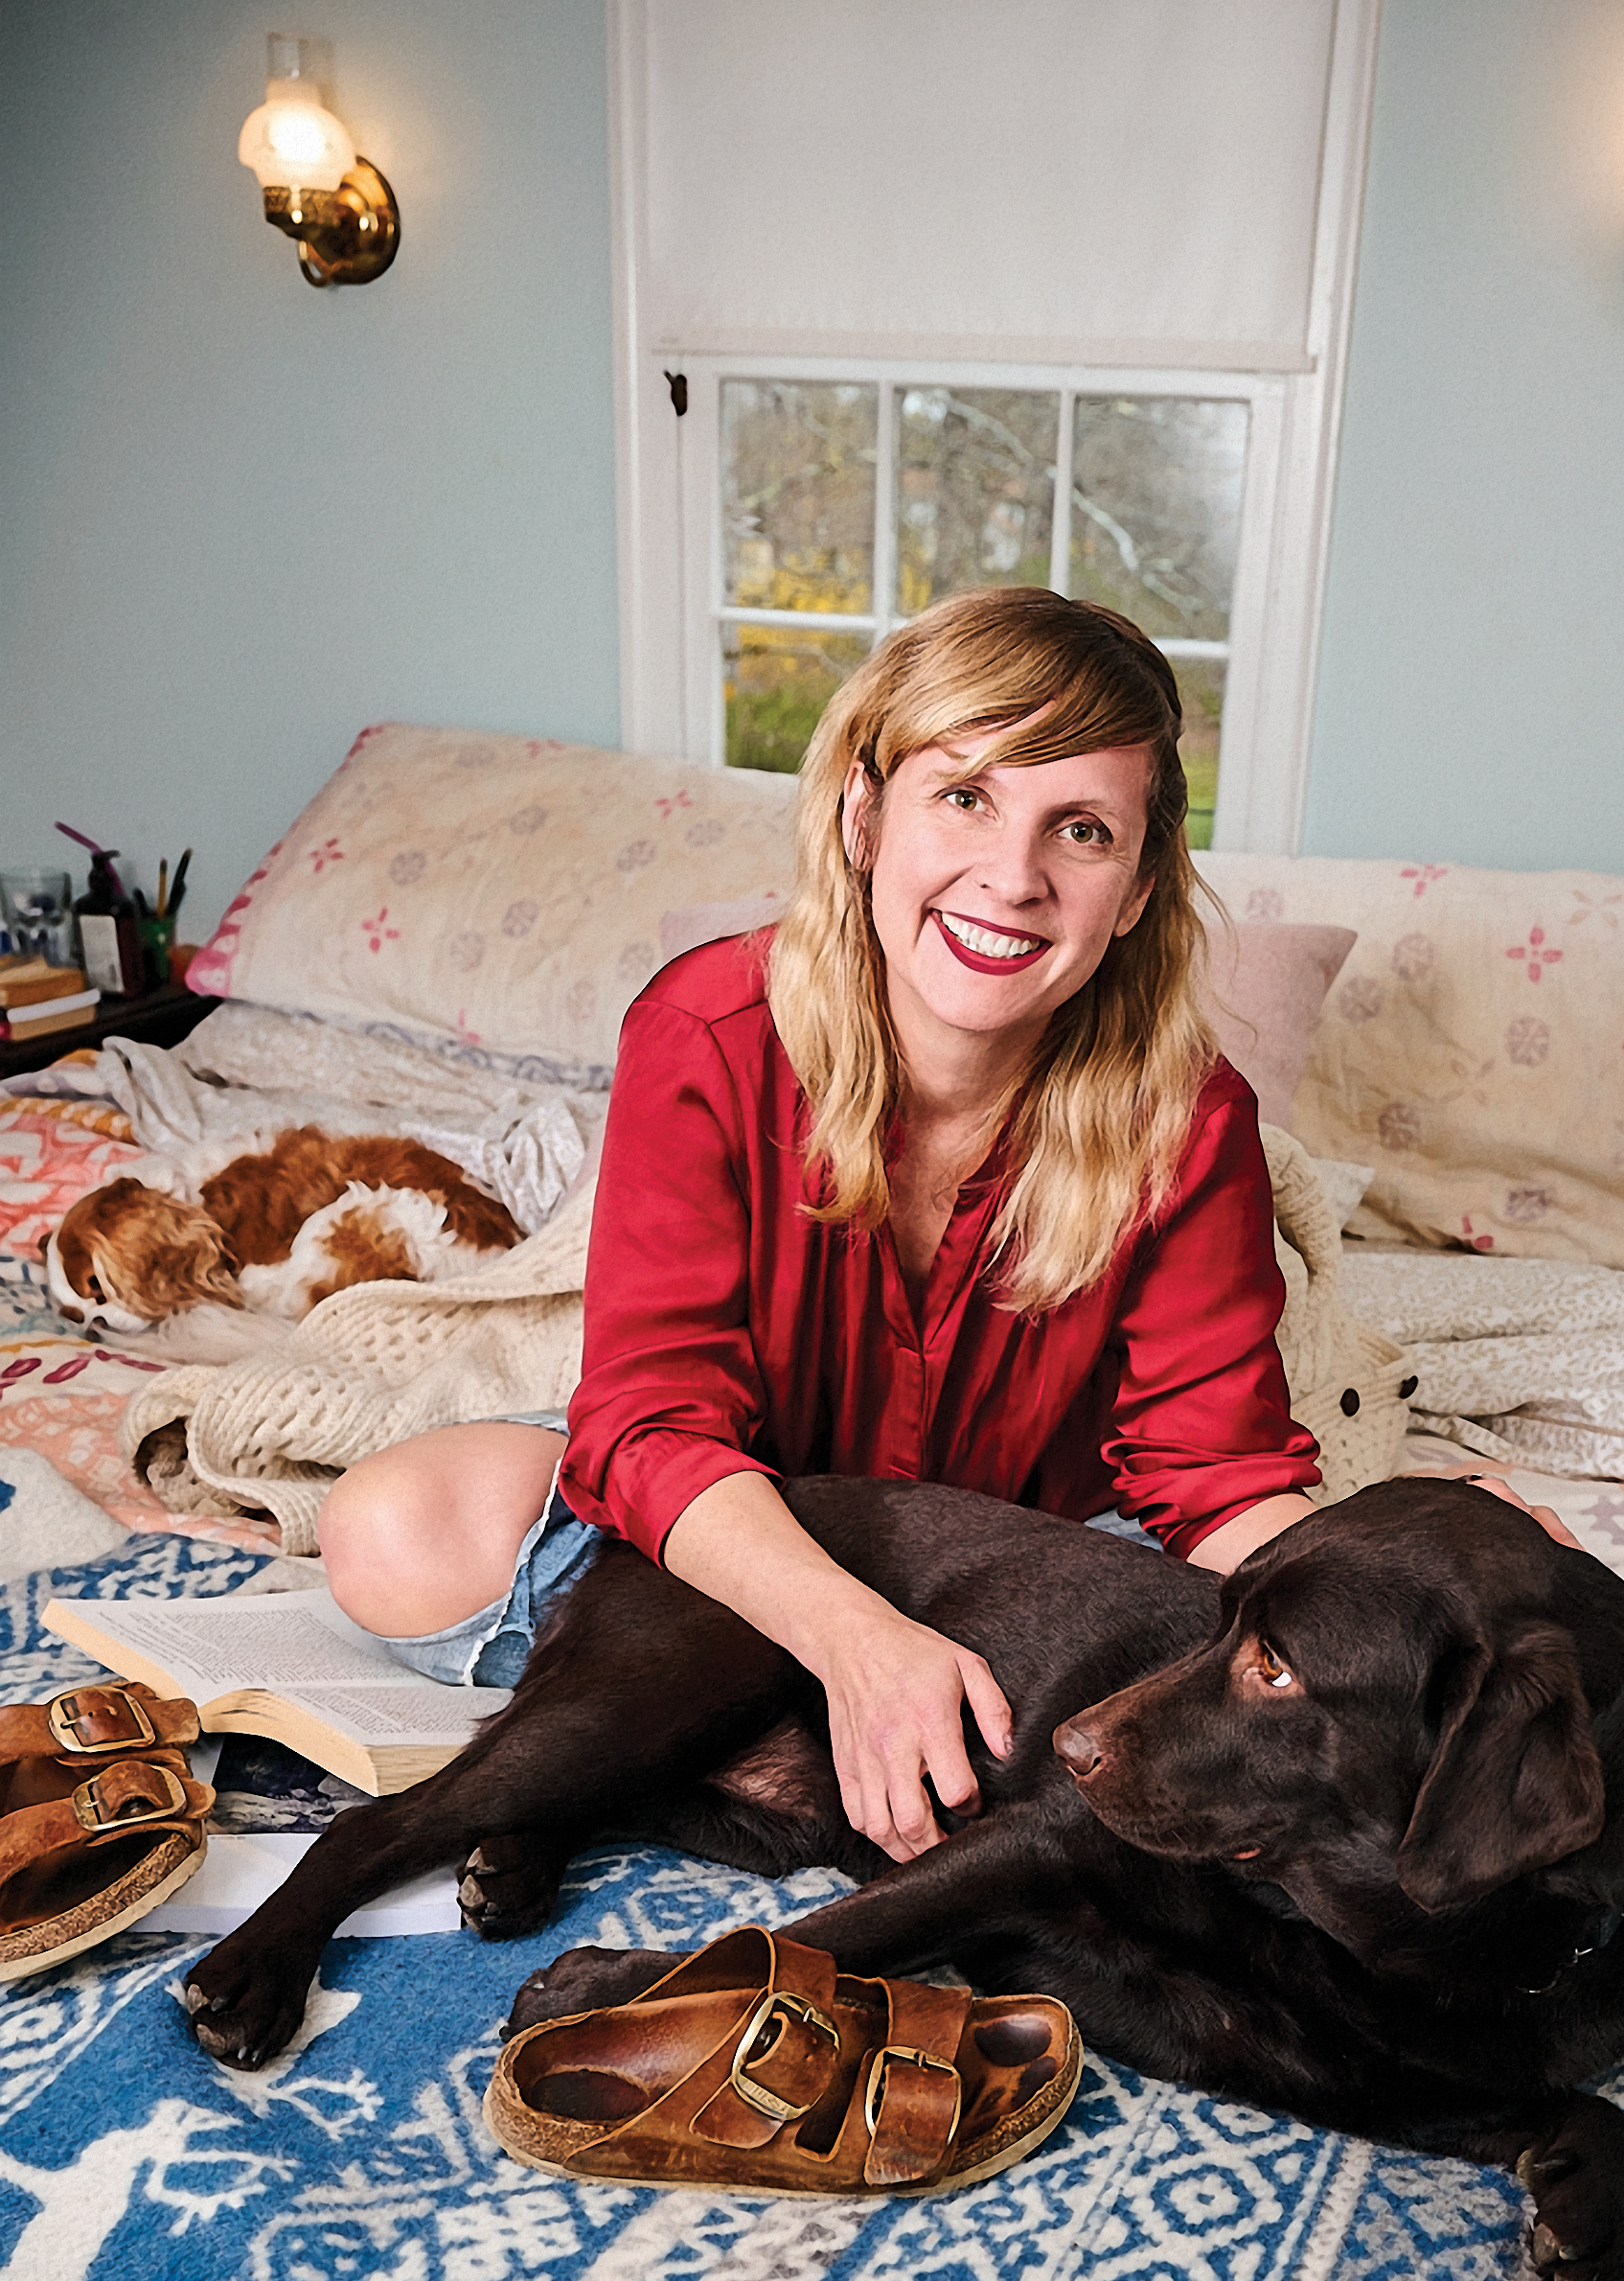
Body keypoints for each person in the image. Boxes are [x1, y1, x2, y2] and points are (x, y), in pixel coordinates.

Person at [320, 590, 1340, 1861]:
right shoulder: (707, 1032)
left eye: (1079, 830)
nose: (1012, 878)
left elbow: (1216, 1473)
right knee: (389, 1525)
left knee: (1242, 1680)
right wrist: (856, 1638)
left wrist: (1423, 1578)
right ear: (866, 818)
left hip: (1025, 1552)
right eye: (964, 797)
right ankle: (828, 1689)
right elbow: (654, 1415)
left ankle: (772, 1718)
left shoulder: (1187, 1119)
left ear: (1134, 889)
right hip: (756, 1513)